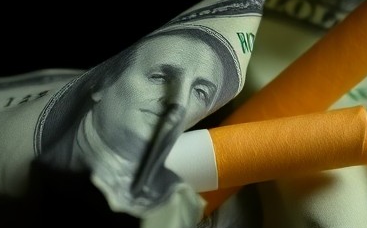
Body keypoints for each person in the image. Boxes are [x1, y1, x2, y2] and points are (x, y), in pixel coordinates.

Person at [35, 24, 242, 214]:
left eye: (200, 92)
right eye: (160, 77)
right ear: (100, 84)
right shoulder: (36, 167)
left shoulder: (177, 203)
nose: (179, 103)